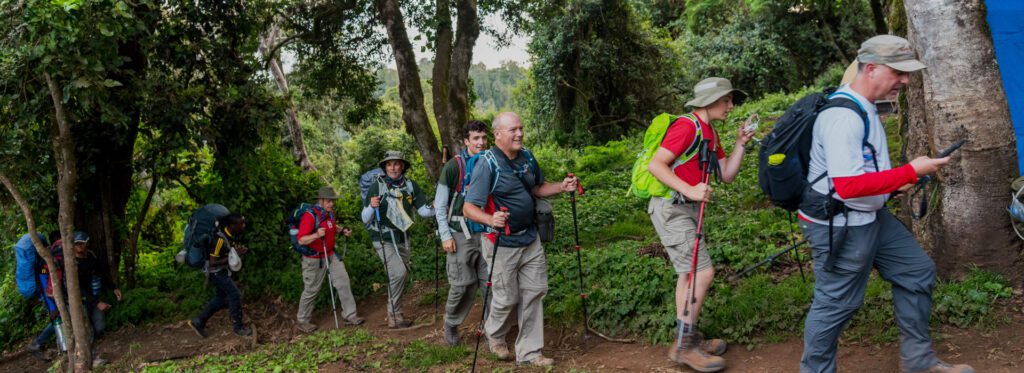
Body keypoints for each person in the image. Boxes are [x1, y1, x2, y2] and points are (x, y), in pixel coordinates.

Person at [796, 35, 972, 373]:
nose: (905, 81)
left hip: (870, 215)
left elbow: (859, 171)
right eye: (899, 73)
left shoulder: (865, 108)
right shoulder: (842, 117)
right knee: (837, 302)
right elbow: (847, 187)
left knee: (915, 271)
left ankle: (918, 362)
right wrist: (909, 170)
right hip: (842, 224)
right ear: (871, 68)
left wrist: (895, 185)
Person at [646, 77, 755, 372]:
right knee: (702, 273)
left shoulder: (711, 133)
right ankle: (685, 346)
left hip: (688, 208)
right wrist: (690, 189)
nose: (731, 106)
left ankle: (686, 337)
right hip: (672, 208)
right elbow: (655, 165)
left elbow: (727, 174)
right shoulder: (686, 126)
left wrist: (740, 144)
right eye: (726, 100)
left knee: (688, 274)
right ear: (709, 101)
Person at [462, 112, 579, 367]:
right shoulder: (487, 163)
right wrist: (490, 219)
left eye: (521, 128)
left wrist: (562, 187)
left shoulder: (526, 156)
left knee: (535, 292)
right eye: (513, 130)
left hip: (530, 237)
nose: (519, 134)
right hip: (501, 243)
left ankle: (529, 351)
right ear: (498, 134)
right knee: (507, 298)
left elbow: (537, 188)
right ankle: (495, 334)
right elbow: (469, 208)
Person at [361, 151, 435, 328]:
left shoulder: (409, 185)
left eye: (396, 164)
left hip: (402, 236)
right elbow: (365, 218)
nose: (393, 167)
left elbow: (424, 211)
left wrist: (437, 206)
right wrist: (372, 206)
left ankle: (396, 313)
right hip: (383, 236)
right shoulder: (377, 186)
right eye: (389, 164)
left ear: (402, 166)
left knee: (401, 274)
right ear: (385, 167)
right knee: (399, 273)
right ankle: (394, 314)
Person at [433, 120, 490, 346]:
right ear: (466, 141)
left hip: (486, 231)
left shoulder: (491, 161)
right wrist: (445, 236)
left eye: (484, 138)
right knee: (461, 284)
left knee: (490, 284)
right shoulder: (453, 167)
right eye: (476, 138)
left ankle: (490, 329)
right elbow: (439, 205)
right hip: (459, 232)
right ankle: (451, 324)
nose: (481, 142)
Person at [28, 231, 123, 362]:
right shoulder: (69, 263)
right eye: (75, 244)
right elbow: (77, 288)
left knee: (98, 326)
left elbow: (101, 273)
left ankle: (40, 342)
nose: (78, 247)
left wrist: (114, 288)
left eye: (81, 244)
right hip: (73, 299)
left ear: (86, 244)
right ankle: (91, 357)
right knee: (79, 325)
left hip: (89, 298)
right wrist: (96, 303)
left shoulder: (91, 257)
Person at [295, 186, 363, 333]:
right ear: (320, 200)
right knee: (312, 290)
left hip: (331, 254)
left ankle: (350, 316)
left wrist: (342, 230)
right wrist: (316, 235)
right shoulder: (309, 216)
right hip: (313, 259)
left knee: (343, 281)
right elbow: (301, 240)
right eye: (328, 201)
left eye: (332, 201)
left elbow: (331, 225)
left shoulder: (330, 213)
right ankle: (302, 320)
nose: (331, 204)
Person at [188, 214, 251, 337]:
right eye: (241, 224)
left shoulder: (229, 236)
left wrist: (236, 253)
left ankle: (198, 321)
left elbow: (226, 254)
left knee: (220, 299)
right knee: (235, 294)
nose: (244, 226)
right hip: (216, 272)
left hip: (221, 271)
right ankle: (238, 328)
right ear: (232, 225)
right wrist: (233, 255)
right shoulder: (220, 240)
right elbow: (213, 262)